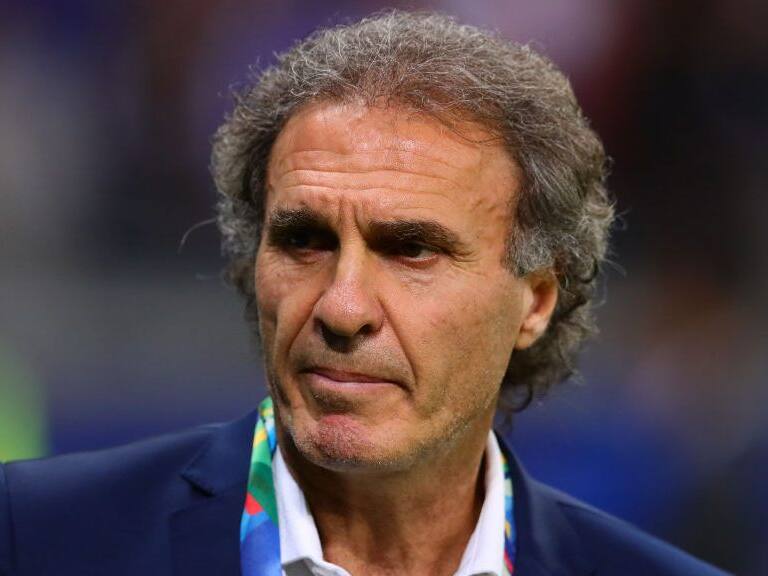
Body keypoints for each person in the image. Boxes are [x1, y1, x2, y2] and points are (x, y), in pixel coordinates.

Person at [0, 10, 729, 576]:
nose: (342, 307)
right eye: (303, 240)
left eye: (411, 249)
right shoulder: (33, 540)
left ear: (536, 300)